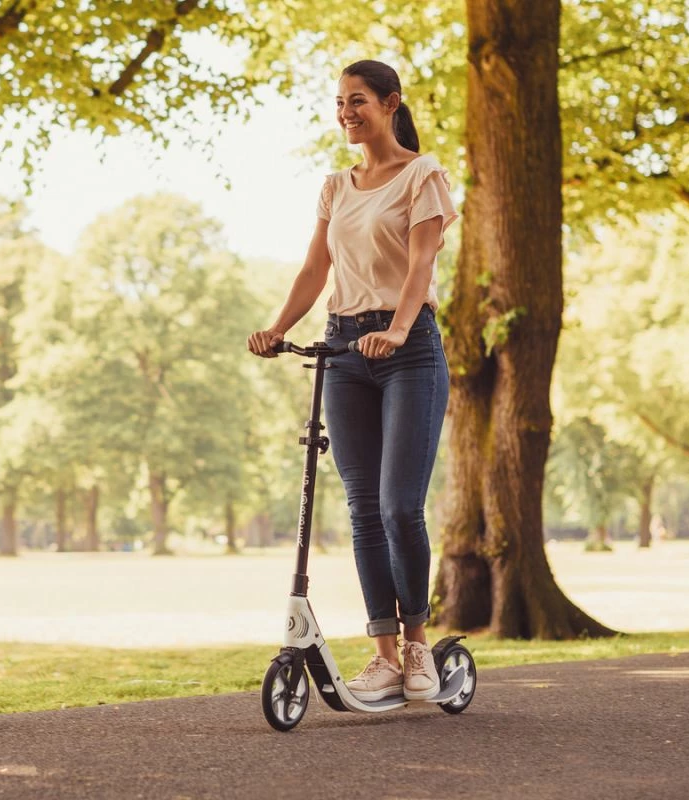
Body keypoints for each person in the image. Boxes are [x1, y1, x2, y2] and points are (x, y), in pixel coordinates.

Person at [248, 59, 458, 702]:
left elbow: (421, 260)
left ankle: (420, 645)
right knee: (363, 509)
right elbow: (316, 268)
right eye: (340, 102)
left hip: (408, 351)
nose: (346, 112)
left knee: (399, 505)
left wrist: (396, 328)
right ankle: (385, 656)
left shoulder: (424, 175)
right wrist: (279, 326)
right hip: (343, 347)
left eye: (358, 100)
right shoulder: (336, 185)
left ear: (391, 104)